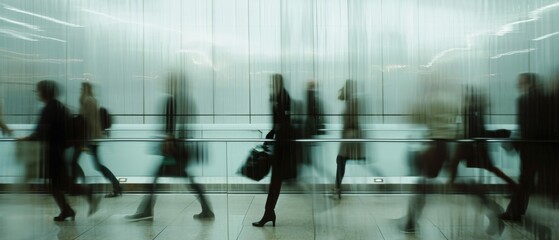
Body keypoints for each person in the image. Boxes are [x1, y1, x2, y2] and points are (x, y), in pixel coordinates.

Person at [125, 71, 214, 221]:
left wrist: (168, 140)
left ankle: (146, 211)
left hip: (174, 149)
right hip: (182, 148)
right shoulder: (186, 100)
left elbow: (170, 127)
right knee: (185, 179)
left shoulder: (173, 100)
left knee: (156, 179)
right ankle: (206, 210)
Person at [19, 80, 98, 221]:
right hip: (58, 151)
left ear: (44, 92)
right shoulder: (60, 107)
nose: (37, 94)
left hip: (52, 153)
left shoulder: (49, 109)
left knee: (59, 185)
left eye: (38, 91)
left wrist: (26, 139)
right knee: (57, 185)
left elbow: (42, 132)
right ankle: (67, 210)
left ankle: (85, 194)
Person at [500, 73, 549, 221]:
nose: (517, 85)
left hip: (530, 147)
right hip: (546, 147)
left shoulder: (524, 100)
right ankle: (516, 210)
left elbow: (526, 127)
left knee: (525, 180)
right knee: (529, 180)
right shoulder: (547, 99)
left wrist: (516, 143)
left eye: (520, 82)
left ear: (527, 83)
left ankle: (514, 212)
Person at [447, 86, 517, 189]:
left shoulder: (470, 109)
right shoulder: (473, 109)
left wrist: (462, 136)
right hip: (472, 144)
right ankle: (513, 185)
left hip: (472, 144)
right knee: (487, 166)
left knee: (456, 161)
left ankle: (450, 184)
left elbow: (474, 129)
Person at [252, 73, 293, 227]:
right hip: (279, 144)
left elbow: (283, 122)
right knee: (275, 181)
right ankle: (269, 212)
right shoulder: (277, 97)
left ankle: (269, 213)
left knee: (276, 181)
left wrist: (273, 134)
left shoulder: (282, 97)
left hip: (282, 146)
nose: (270, 84)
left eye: (272, 82)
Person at [70, 82, 122, 197]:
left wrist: (84, 141)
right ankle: (116, 185)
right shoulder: (92, 100)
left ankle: (77, 187)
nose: (80, 90)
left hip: (88, 138)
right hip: (91, 137)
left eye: (81, 88)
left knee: (74, 161)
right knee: (92, 164)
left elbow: (86, 121)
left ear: (85, 89)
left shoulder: (87, 101)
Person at [333, 79, 365, 199]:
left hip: (350, 137)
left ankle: (337, 189)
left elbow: (352, 121)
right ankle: (337, 188)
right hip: (349, 137)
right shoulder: (351, 101)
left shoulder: (352, 102)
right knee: (341, 161)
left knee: (341, 161)